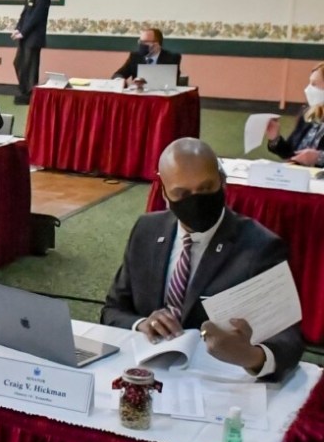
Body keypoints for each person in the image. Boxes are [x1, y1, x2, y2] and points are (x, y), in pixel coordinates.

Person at [102, 137, 303, 382]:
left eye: (206, 189)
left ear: (222, 181)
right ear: (164, 193)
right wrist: (141, 324)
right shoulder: (147, 229)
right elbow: (113, 310)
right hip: (145, 374)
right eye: (182, 193)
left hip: (218, 383)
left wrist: (251, 356)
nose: (196, 201)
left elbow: (289, 340)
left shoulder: (260, 246)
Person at [265, 62, 324, 168]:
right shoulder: (308, 114)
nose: (308, 89)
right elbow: (291, 153)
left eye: (314, 84)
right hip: (297, 175)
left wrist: (318, 157)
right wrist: (275, 138)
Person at [11, 0, 50, 105]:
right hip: (25, 36)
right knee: (19, 63)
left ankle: (30, 93)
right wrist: (18, 28)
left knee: (30, 66)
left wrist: (23, 32)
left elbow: (36, 17)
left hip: (34, 38)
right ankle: (24, 90)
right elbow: (25, 13)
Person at [113, 27, 181, 81]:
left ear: (157, 44)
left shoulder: (172, 58)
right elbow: (118, 74)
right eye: (140, 41)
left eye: (145, 42)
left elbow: (173, 81)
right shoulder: (135, 57)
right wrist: (120, 80)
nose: (141, 44)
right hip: (139, 93)